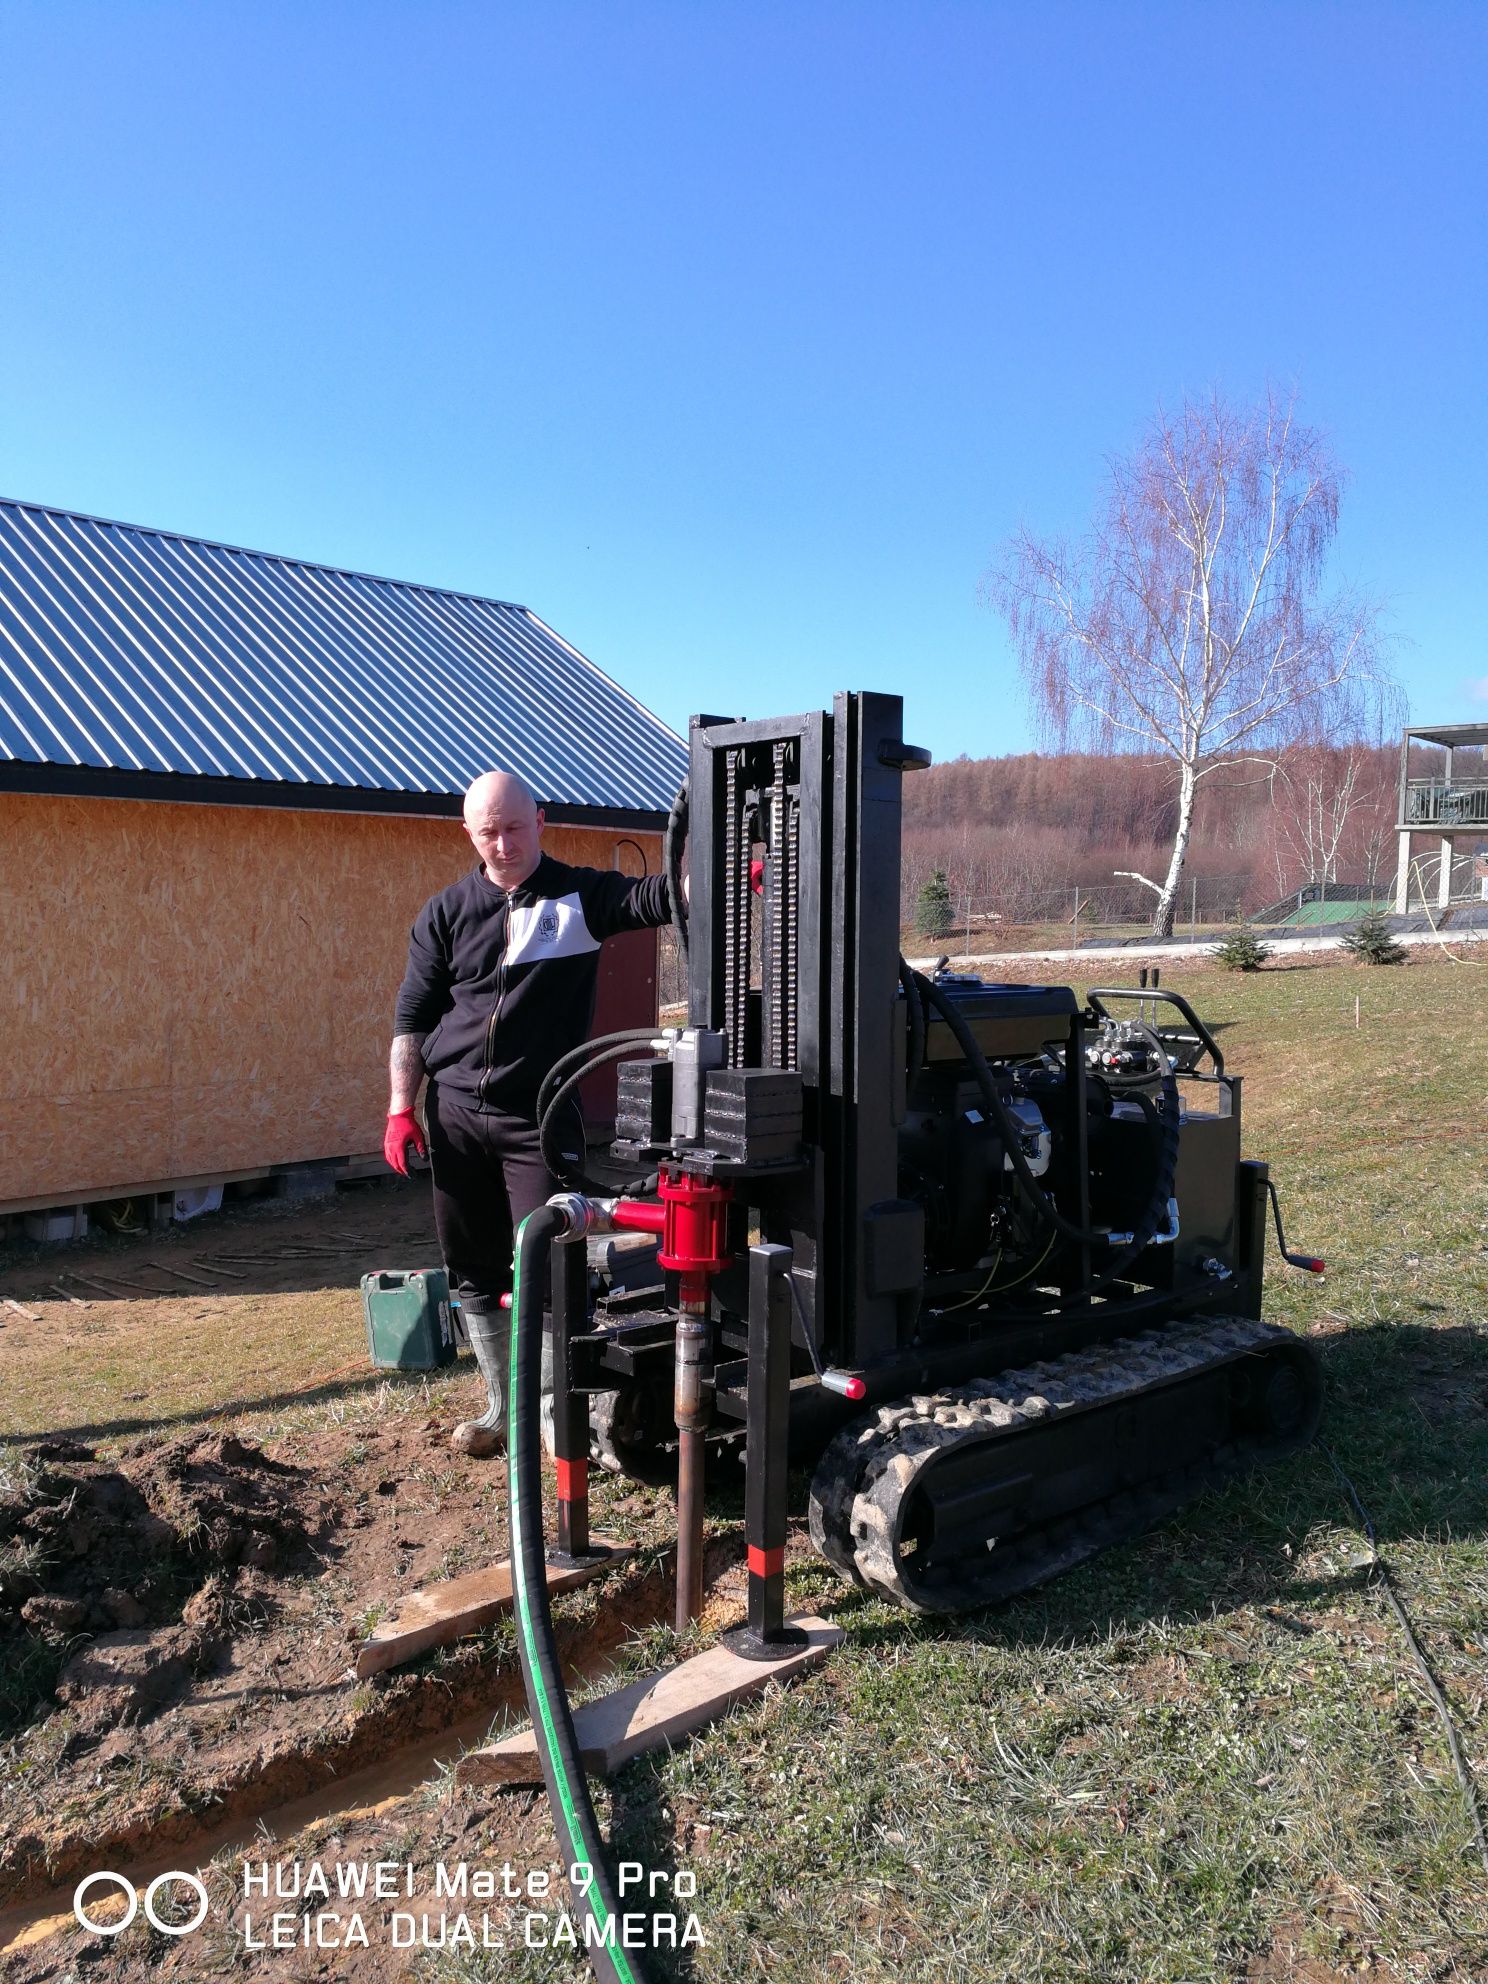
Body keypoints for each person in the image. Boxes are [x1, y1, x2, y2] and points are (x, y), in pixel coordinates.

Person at [385, 770, 676, 1455]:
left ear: (540, 820)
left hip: (537, 1118)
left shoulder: (579, 897)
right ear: (469, 834)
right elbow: (413, 1018)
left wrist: (727, 875)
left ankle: (552, 1411)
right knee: (474, 1267)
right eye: (488, 832)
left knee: (548, 1261)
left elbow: (658, 897)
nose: (503, 843)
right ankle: (502, 1407)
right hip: (454, 1112)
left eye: (515, 827)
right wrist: (402, 1107)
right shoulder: (446, 912)